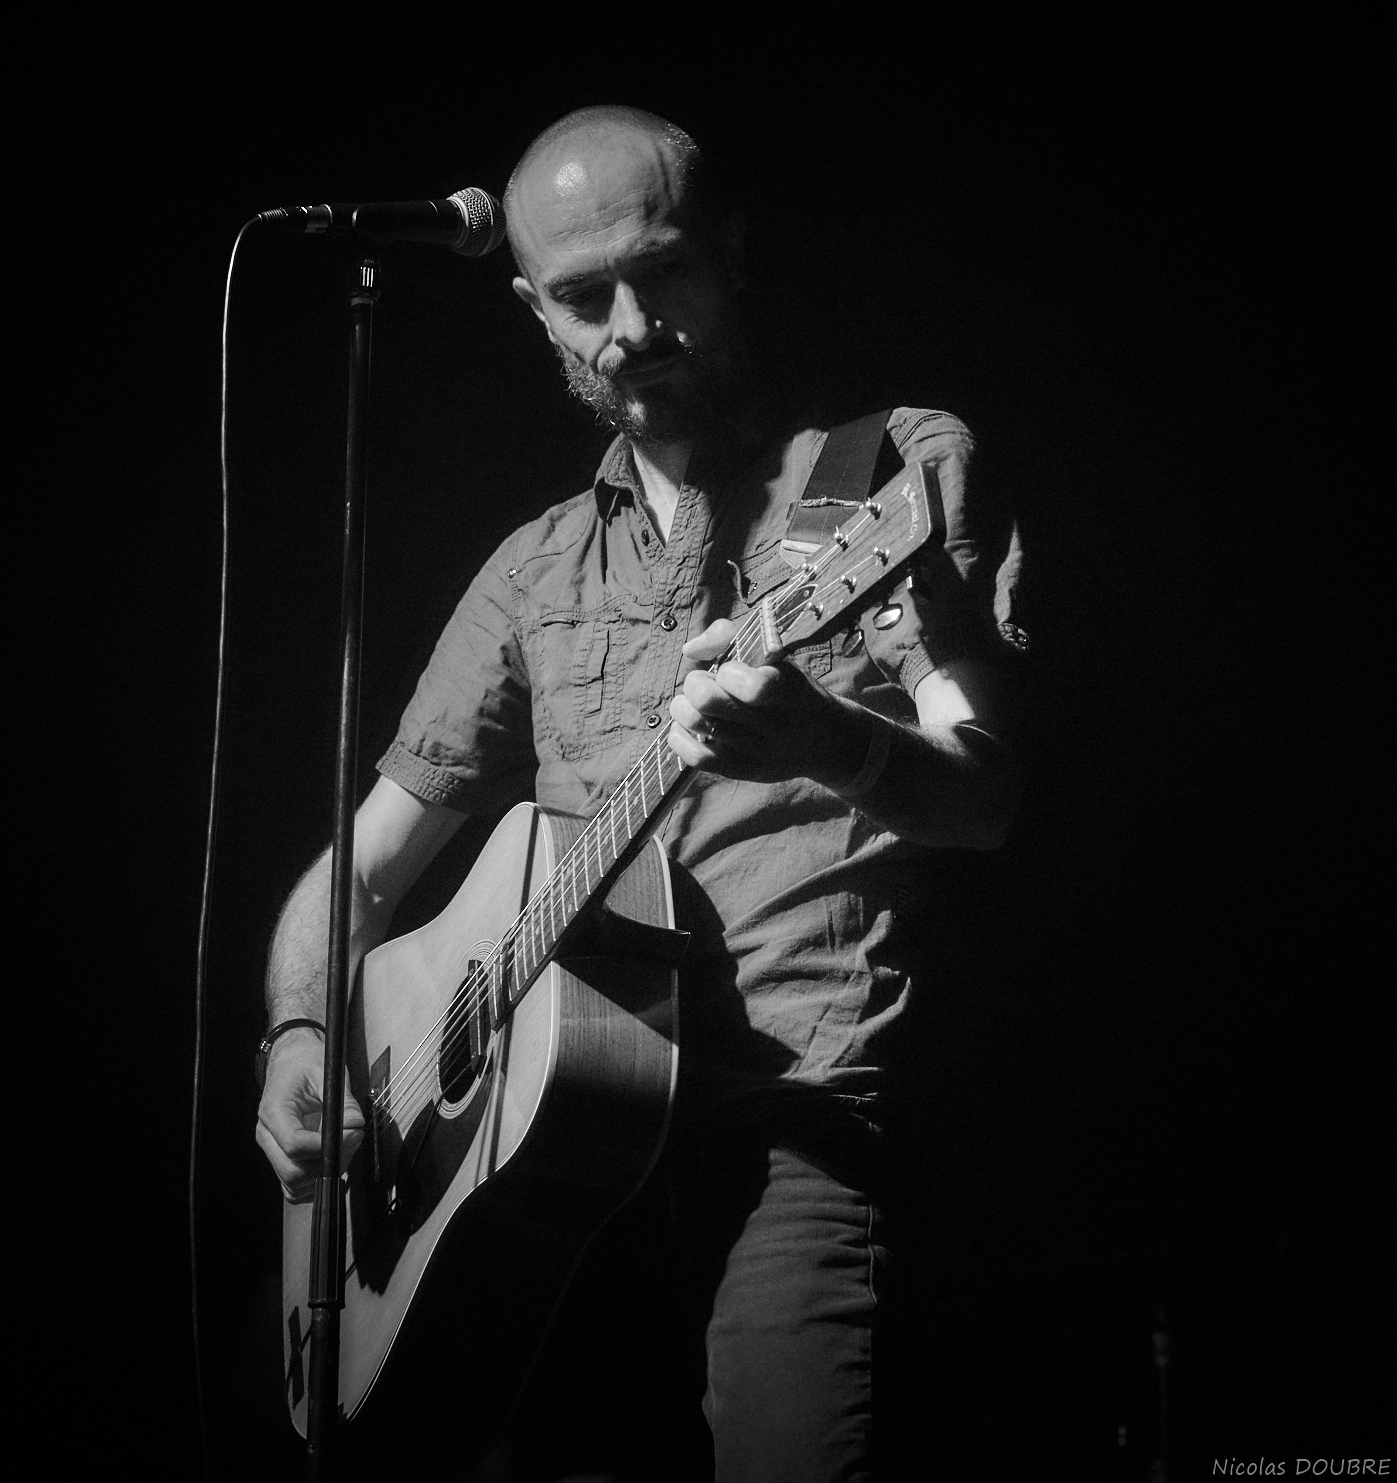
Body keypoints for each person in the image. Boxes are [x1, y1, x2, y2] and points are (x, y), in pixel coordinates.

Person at [254, 104, 1025, 1481]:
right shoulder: (534, 568)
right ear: (532, 311)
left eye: (662, 272)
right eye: (581, 297)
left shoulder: (878, 473)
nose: (630, 328)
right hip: (547, 1178)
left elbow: (989, 795)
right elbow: (355, 876)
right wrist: (302, 1038)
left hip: (799, 1122)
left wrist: (828, 743)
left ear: (731, 255)